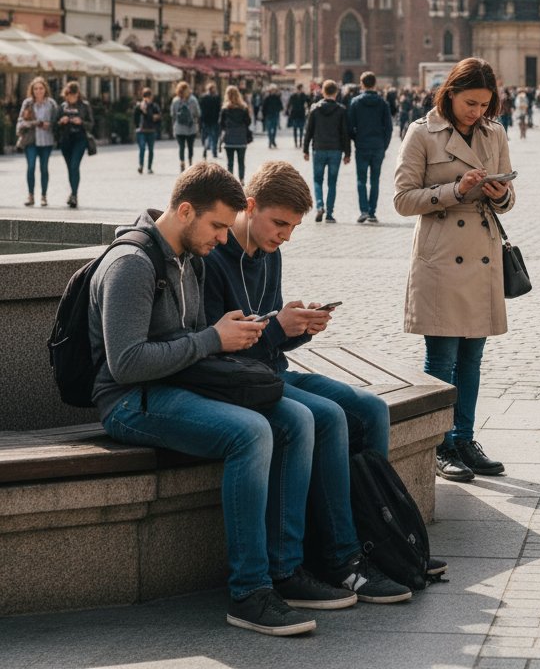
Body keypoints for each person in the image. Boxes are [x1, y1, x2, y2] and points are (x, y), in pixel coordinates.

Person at [89, 163, 355, 636]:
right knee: (250, 433)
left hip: (179, 382)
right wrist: (214, 339)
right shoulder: (132, 264)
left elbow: (190, 338)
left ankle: (285, 571)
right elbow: (125, 364)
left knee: (295, 419)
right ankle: (249, 592)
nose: (222, 237)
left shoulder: (187, 256)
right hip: (131, 401)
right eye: (216, 225)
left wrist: (236, 334)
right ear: (185, 210)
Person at [202, 159, 421, 601]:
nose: (285, 235)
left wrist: (300, 328)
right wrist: (279, 327)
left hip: (269, 372)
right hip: (237, 384)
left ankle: (374, 539)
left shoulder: (271, 255)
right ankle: (339, 559)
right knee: (326, 417)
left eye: (293, 227)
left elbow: (270, 343)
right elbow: (218, 348)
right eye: (279, 223)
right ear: (248, 207)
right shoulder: (213, 256)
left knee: (372, 410)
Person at [394, 57, 514, 482]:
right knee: (442, 357)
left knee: (473, 357)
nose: (477, 112)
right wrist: (454, 190)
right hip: (441, 256)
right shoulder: (421, 133)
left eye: (484, 104)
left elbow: (509, 199)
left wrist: (499, 194)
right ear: (450, 94)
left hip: (481, 254)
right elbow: (403, 199)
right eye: (470, 103)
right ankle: (440, 444)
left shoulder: (494, 132)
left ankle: (464, 437)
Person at [347, 71, 393, 225]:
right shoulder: (382, 103)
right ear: (375, 84)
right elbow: (389, 127)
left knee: (361, 180)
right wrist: (384, 145)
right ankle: (372, 212)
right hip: (378, 146)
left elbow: (350, 126)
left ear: (362, 84)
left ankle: (364, 211)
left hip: (362, 145)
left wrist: (356, 140)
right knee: (375, 180)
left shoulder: (355, 102)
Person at [303, 80, 351, 224]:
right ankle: (329, 213)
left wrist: (305, 149)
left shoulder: (315, 109)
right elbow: (345, 133)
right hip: (335, 150)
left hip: (319, 148)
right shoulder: (341, 110)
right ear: (336, 93)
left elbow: (309, 131)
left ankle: (319, 205)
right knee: (332, 182)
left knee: (317, 181)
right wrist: (348, 153)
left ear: (323, 91)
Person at [17, 77, 60, 207]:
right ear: (32, 90)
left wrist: (50, 125)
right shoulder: (28, 103)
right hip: (31, 140)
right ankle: (30, 195)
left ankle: (43, 196)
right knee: (30, 168)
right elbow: (21, 121)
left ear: (45, 89)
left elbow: (56, 122)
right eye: (35, 89)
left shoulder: (51, 103)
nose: (38, 91)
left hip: (46, 141)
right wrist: (35, 123)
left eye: (41, 88)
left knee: (44, 168)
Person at [56, 81, 93, 209]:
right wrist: (61, 121)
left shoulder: (84, 106)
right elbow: (55, 123)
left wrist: (81, 122)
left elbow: (91, 123)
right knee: (70, 168)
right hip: (66, 141)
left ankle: (74, 195)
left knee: (74, 166)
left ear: (78, 94)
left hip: (80, 139)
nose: (71, 97)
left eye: (73, 95)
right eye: (68, 95)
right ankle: (72, 193)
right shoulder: (62, 106)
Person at [219, 85, 252, 183]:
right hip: (241, 138)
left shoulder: (225, 109)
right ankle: (241, 180)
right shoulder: (244, 108)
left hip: (229, 138)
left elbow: (221, 123)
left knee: (230, 162)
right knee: (241, 161)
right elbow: (248, 122)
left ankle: (231, 181)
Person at [170, 81, 201, 171]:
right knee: (190, 147)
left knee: (181, 147)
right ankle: (190, 163)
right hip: (191, 128)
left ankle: (182, 162)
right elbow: (198, 113)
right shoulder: (193, 100)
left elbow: (173, 114)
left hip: (179, 128)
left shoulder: (175, 100)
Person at [133, 88, 161, 174]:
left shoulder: (154, 106)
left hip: (151, 130)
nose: (147, 99)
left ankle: (149, 167)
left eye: (148, 97)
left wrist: (147, 112)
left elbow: (158, 117)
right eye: (145, 97)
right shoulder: (139, 106)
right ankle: (141, 166)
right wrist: (137, 126)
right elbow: (135, 117)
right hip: (141, 131)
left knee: (151, 150)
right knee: (142, 148)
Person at [199, 82, 222, 160]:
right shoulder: (217, 98)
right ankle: (214, 152)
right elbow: (219, 110)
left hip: (205, 120)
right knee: (214, 136)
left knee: (206, 136)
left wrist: (201, 120)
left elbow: (201, 110)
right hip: (215, 120)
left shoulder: (203, 98)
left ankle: (205, 148)